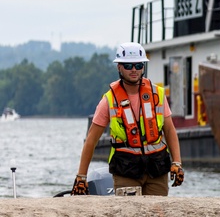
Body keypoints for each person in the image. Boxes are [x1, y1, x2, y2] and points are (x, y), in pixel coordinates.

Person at [72, 42, 184, 196]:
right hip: (126, 169)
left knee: (157, 215)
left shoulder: (156, 94)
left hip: (157, 168)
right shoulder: (109, 100)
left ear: (143, 67)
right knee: (130, 214)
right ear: (119, 67)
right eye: (128, 65)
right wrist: (81, 176)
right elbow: (91, 139)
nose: (133, 70)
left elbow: (170, 130)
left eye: (138, 65)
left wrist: (177, 163)